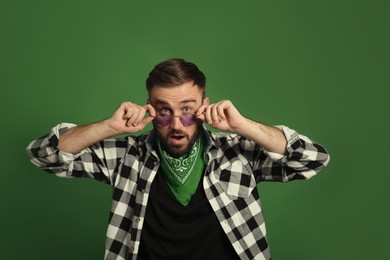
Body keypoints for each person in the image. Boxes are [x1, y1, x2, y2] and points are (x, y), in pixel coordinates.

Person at [26, 58, 330, 260]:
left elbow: (313, 159)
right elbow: (45, 155)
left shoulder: (238, 153)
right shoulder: (126, 156)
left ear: (204, 106)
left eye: (187, 109)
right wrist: (109, 126)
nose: (175, 124)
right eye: (164, 110)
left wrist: (242, 125)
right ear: (150, 108)